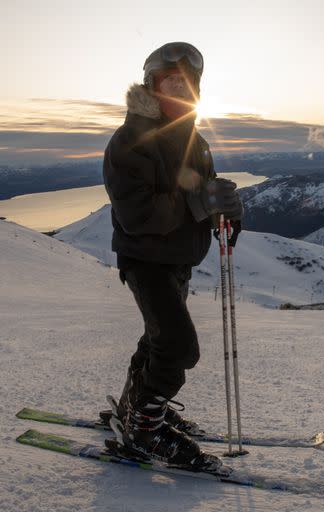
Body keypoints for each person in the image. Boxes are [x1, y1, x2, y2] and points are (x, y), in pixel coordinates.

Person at [102, 42, 243, 470]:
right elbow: (136, 214)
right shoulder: (130, 141)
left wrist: (225, 212)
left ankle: (135, 411)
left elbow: (204, 192)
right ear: (152, 86)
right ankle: (145, 429)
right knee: (179, 347)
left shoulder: (195, 141)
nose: (179, 90)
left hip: (179, 259)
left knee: (158, 339)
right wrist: (197, 205)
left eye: (186, 82)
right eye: (170, 81)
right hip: (146, 260)